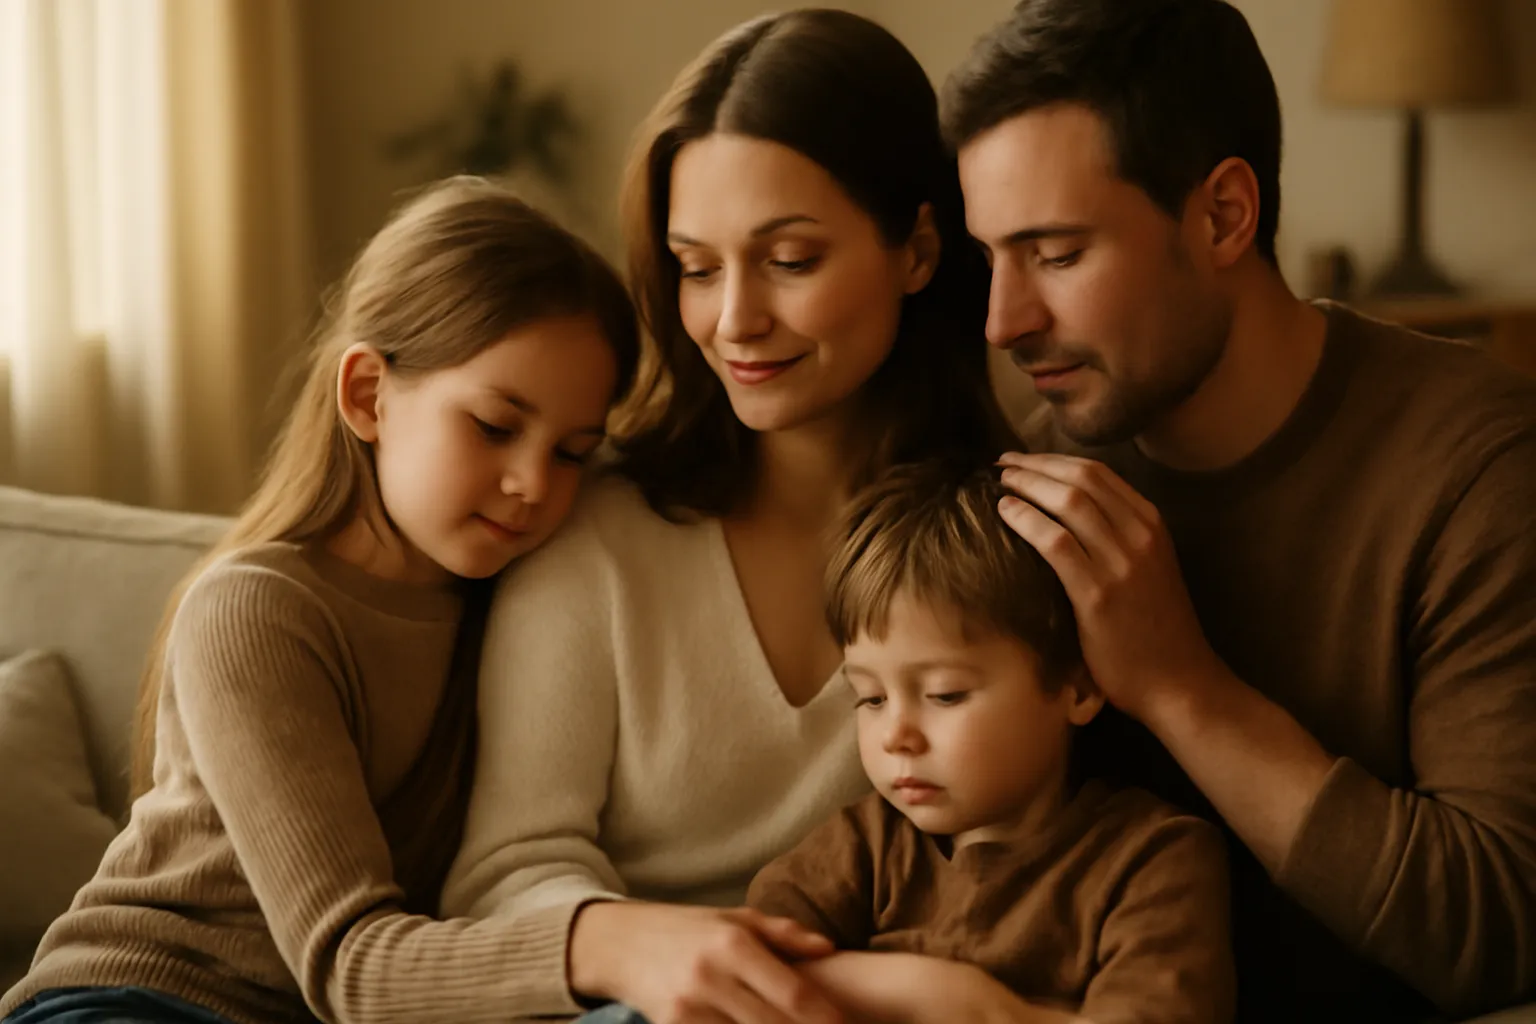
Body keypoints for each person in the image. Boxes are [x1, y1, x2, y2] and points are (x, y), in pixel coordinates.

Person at [942, 0, 1536, 1020]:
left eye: (1058, 253)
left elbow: (1499, 930)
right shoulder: (1041, 475)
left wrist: (1181, 687)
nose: (1004, 320)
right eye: (991, 257)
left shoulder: (1479, 465)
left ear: (1223, 216)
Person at [440, 10, 1027, 1024]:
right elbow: (505, 873)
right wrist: (658, 956)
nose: (733, 321)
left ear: (919, 249)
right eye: (697, 268)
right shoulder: (597, 529)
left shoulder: (1005, 535)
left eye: (789, 260)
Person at [0, 176, 642, 1024]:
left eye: (571, 452)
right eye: (494, 426)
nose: (532, 483)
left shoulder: (523, 605)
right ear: (368, 395)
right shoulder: (256, 610)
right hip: (135, 1004)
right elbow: (351, 965)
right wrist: (616, 946)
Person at [745, 459, 1235, 1024]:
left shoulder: (1152, 860)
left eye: (945, 694)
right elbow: (748, 964)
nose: (896, 735)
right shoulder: (864, 846)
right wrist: (922, 991)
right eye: (871, 699)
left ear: (1076, 688)